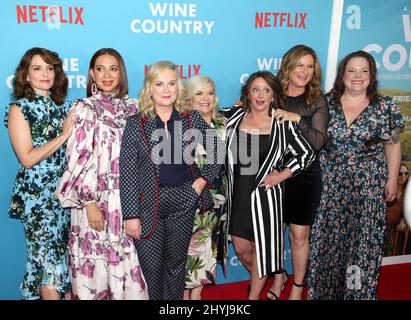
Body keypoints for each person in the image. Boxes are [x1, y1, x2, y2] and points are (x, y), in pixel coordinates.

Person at [119, 61, 223, 300]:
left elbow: (217, 149)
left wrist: (199, 184)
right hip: (147, 205)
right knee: (152, 269)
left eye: (171, 83)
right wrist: (131, 215)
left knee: (175, 269)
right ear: (150, 89)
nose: (166, 90)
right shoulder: (136, 123)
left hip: (183, 200)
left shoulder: (190, 119)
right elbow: (128, 172)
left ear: (178, 87)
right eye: (159, 84)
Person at [307, 50, 404, 300]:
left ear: (371, 76)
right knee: (328, 243)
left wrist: (392, 178)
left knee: (362, 246)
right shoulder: (325, 103)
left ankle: (356, 294)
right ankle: (324, 294)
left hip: (368, 188)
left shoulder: (385, 107)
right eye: (351, 70)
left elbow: (392, 144)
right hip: (330, 186)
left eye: (364, 71)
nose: (357, 76)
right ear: (342, 74)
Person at [56, 48, 148, 300]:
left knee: (131, 273)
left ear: (122, 73)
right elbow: (78, 158)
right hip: (95, 203)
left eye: (113, 68)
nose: (107, 75)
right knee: (94, 275)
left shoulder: (135, 108)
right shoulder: (84, 108)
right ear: (91, 74)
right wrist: (88, 202)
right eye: (100, 68)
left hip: (128, 202)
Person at [224, 71, 315, 300]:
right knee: (242, 250)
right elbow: (205, 116)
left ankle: (252, 298)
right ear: (248, 93)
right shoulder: (234, 115)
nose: (260, 95)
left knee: (263, 254)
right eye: (255, 89)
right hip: (237, 197)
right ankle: (280, 274)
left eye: (266, 90)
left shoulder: (282, 123)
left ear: (273, 94)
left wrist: (282, 175)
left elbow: (307, 154)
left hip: (267, 198)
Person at [4, 47, 74, 300]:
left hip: (65, 199)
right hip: (37, 200)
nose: (45, 73)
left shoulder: (67, 107)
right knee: (50, 267)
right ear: (26, 75)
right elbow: (27, 157)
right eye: (37, 68)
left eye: (50, 68)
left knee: (62, 267)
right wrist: (64, 135)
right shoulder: (19, 109)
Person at [267, 45, 328, 300]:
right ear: (288, 66)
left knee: (299, 235)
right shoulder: (274, 94)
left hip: (304, 175)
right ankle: (279, 275)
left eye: (310, 66)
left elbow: (317, 142)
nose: (304, 71)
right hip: (275, 172)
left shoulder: (317, 99)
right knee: (275, 230)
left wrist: (297, 119)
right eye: (299, 65)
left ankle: (298, 286)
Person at [183, 75, 228, 300]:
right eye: (199, 93)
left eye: (210, 93)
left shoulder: (224, 123)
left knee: (207, 254)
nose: (206, 98)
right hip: (190, 200)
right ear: (189, 98)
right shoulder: (181, 124)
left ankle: (197, 296)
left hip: (217, 202)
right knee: (184, 254)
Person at [383, 162, 409, 256]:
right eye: (400, 173)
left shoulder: (407, 193)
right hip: (382, 227)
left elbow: (407, 212)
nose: (403, 176)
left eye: (406, 173)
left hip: (395, 230)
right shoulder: (386, 188)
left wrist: (403, 220)